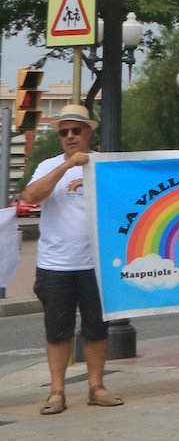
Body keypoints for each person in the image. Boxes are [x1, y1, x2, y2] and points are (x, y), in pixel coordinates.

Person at [22, 105, 123, 414]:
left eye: (75, 130)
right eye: (63, 132)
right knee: (57, 330)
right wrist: (65, 168)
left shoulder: (104, 165)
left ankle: (96, 386)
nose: (69, 136)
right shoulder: (48, 166)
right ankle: (56, 391)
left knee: (96, 328)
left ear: (88, 133)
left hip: (95, 264)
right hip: (56, 265)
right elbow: (31, 196)